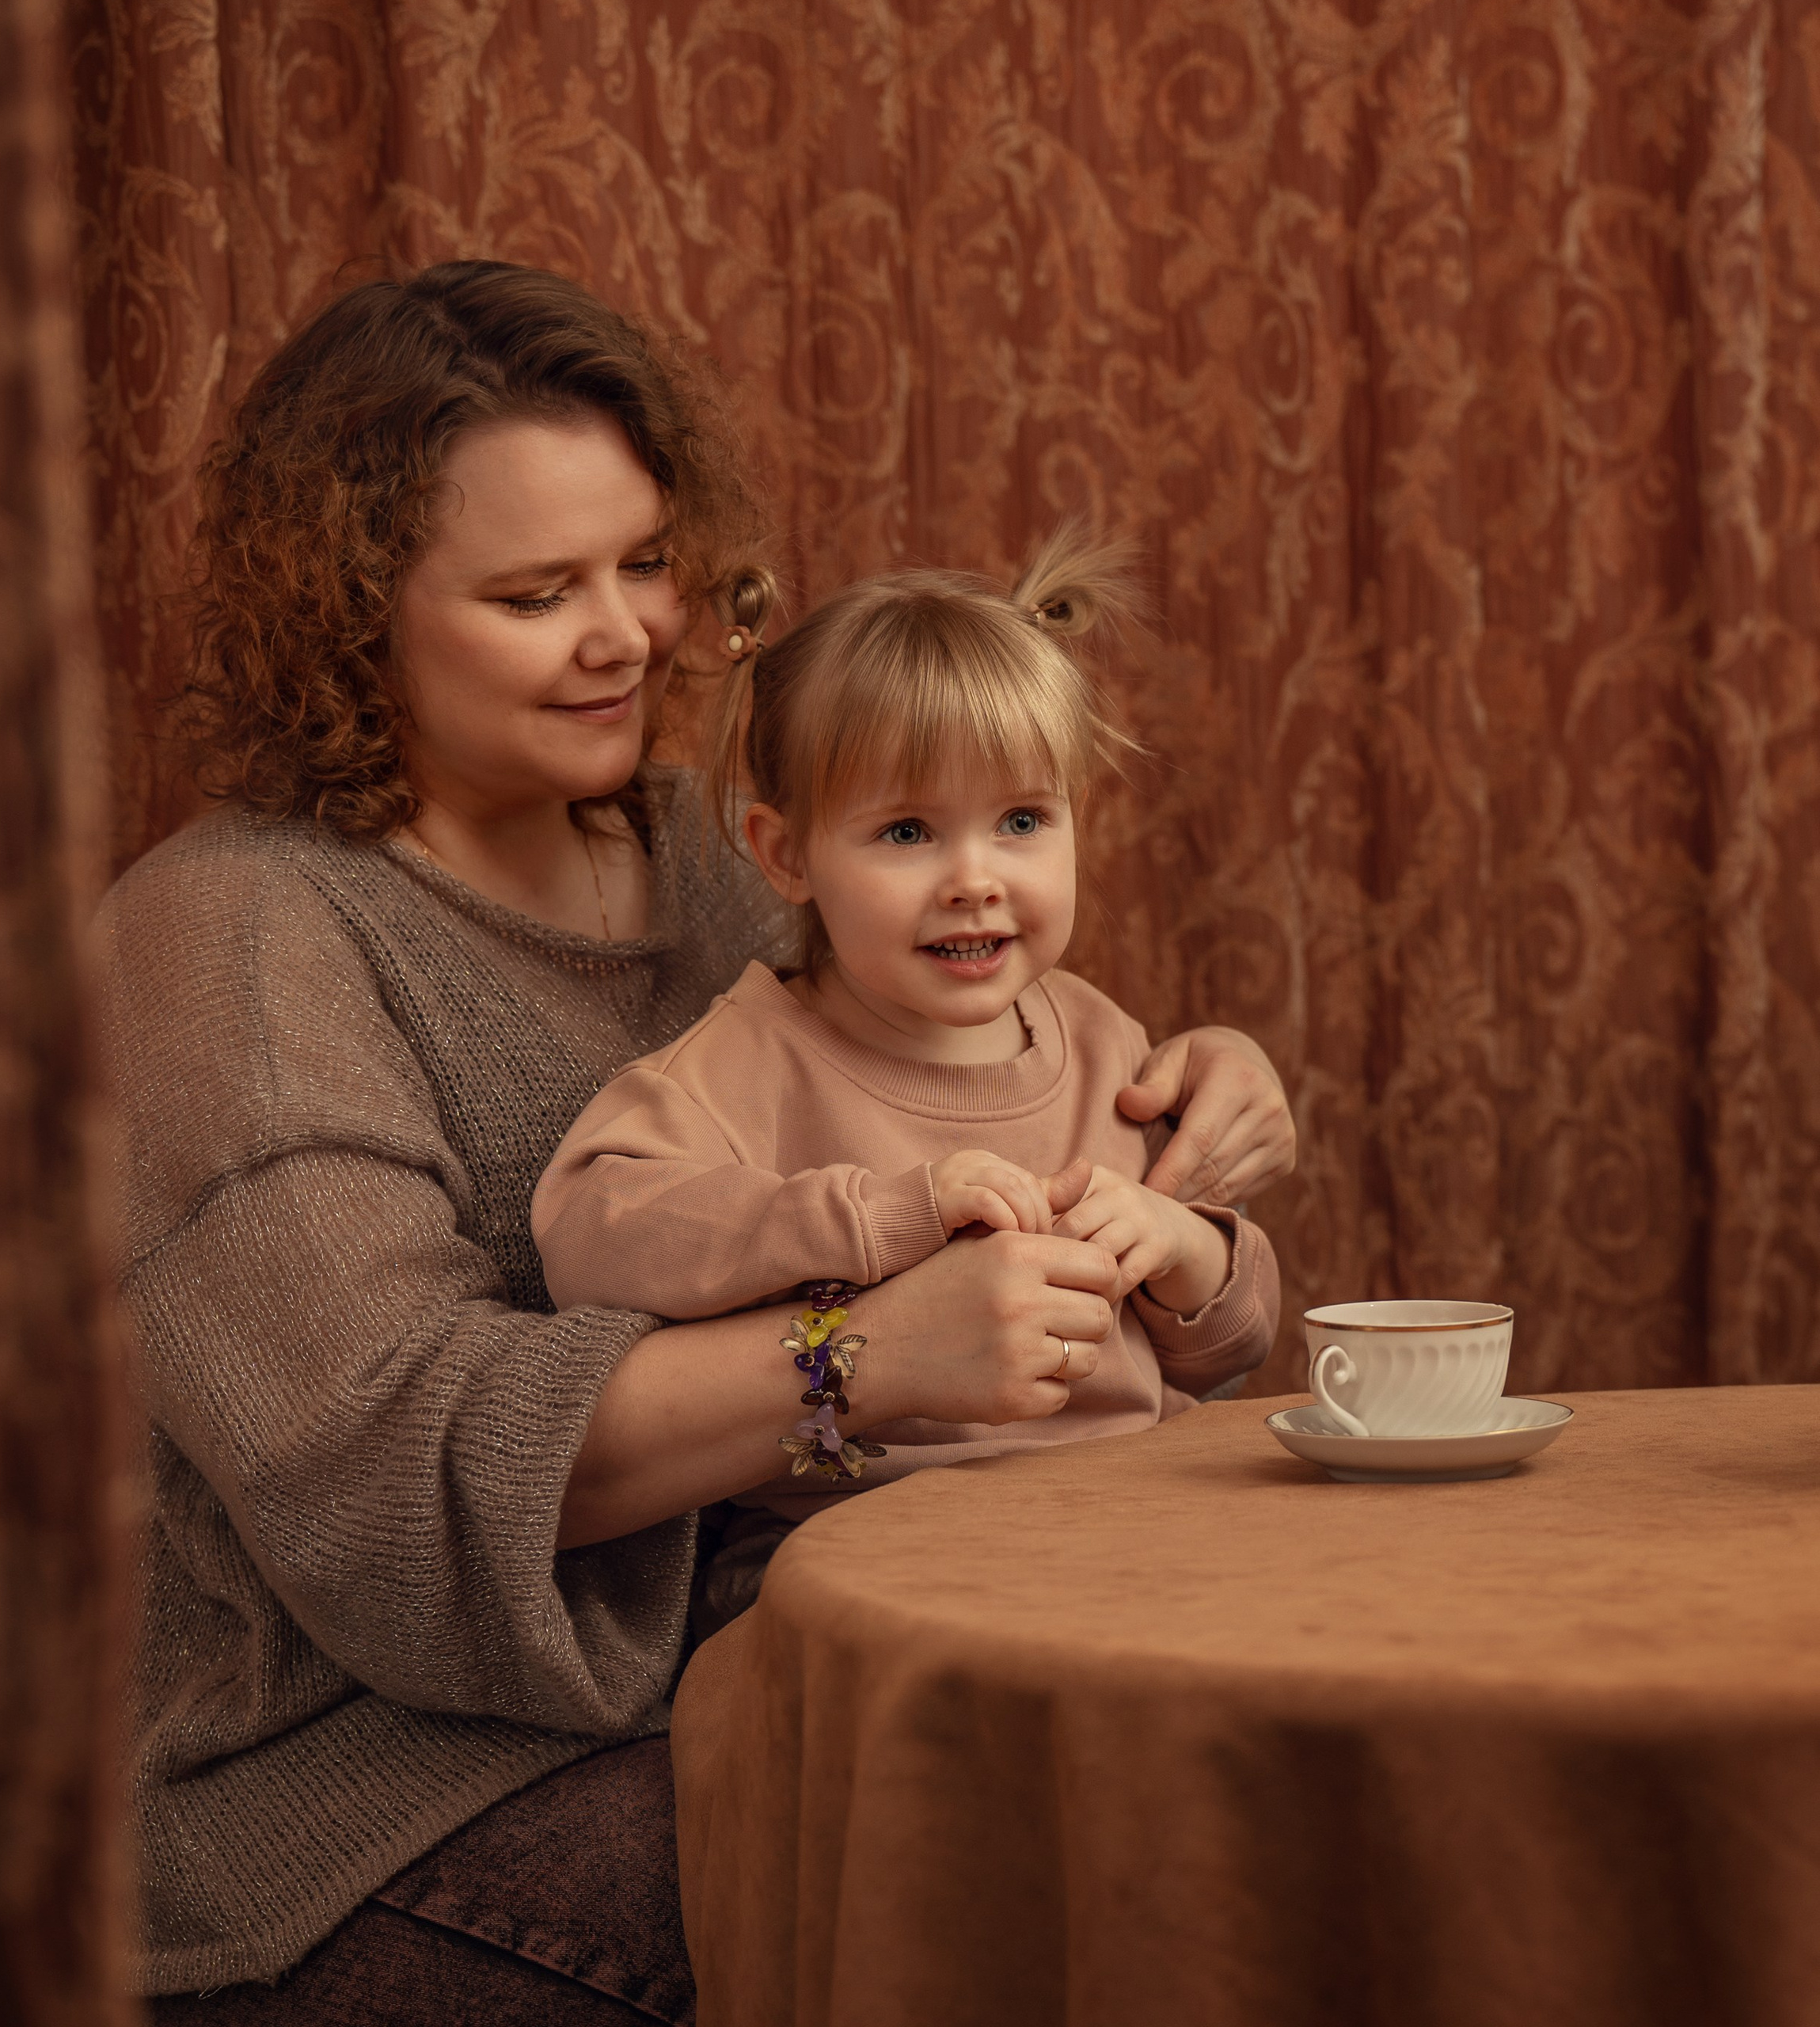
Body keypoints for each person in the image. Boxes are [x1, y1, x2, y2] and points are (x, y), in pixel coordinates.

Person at [98, 259, 1298, 2023]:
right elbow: (388, 1474)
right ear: (351, 612)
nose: (629, 634)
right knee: (1017, 1880)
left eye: (644, 561)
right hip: (359, 1785)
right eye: (534, 591)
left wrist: (1178, 1105)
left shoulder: (694, 846)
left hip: (766, 1653)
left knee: (1195, 1801)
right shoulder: (230, 941)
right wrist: (854, 1362)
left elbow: (905, 1070)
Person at [533, 534, 1281, 1630]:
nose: (975, 880)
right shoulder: (751, 1057)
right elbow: (588, 1233)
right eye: (908, 832)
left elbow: (1232, 1347)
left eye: (1023, 821)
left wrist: (1181, 1246)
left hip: (1126, 1535)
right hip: (850, 1566)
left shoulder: (1099, 1041)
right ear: (785, 856)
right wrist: (875, 1217)